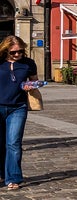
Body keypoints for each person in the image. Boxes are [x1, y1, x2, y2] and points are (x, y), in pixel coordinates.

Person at [0, 35, 39, 190]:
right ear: (5, 51)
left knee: (13, 143)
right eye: (13, 52)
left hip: (18, 107)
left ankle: (13, 178)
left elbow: (35, 81)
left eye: (20, 51)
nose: (17, 55)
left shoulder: (28, 63)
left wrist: (32, 85)